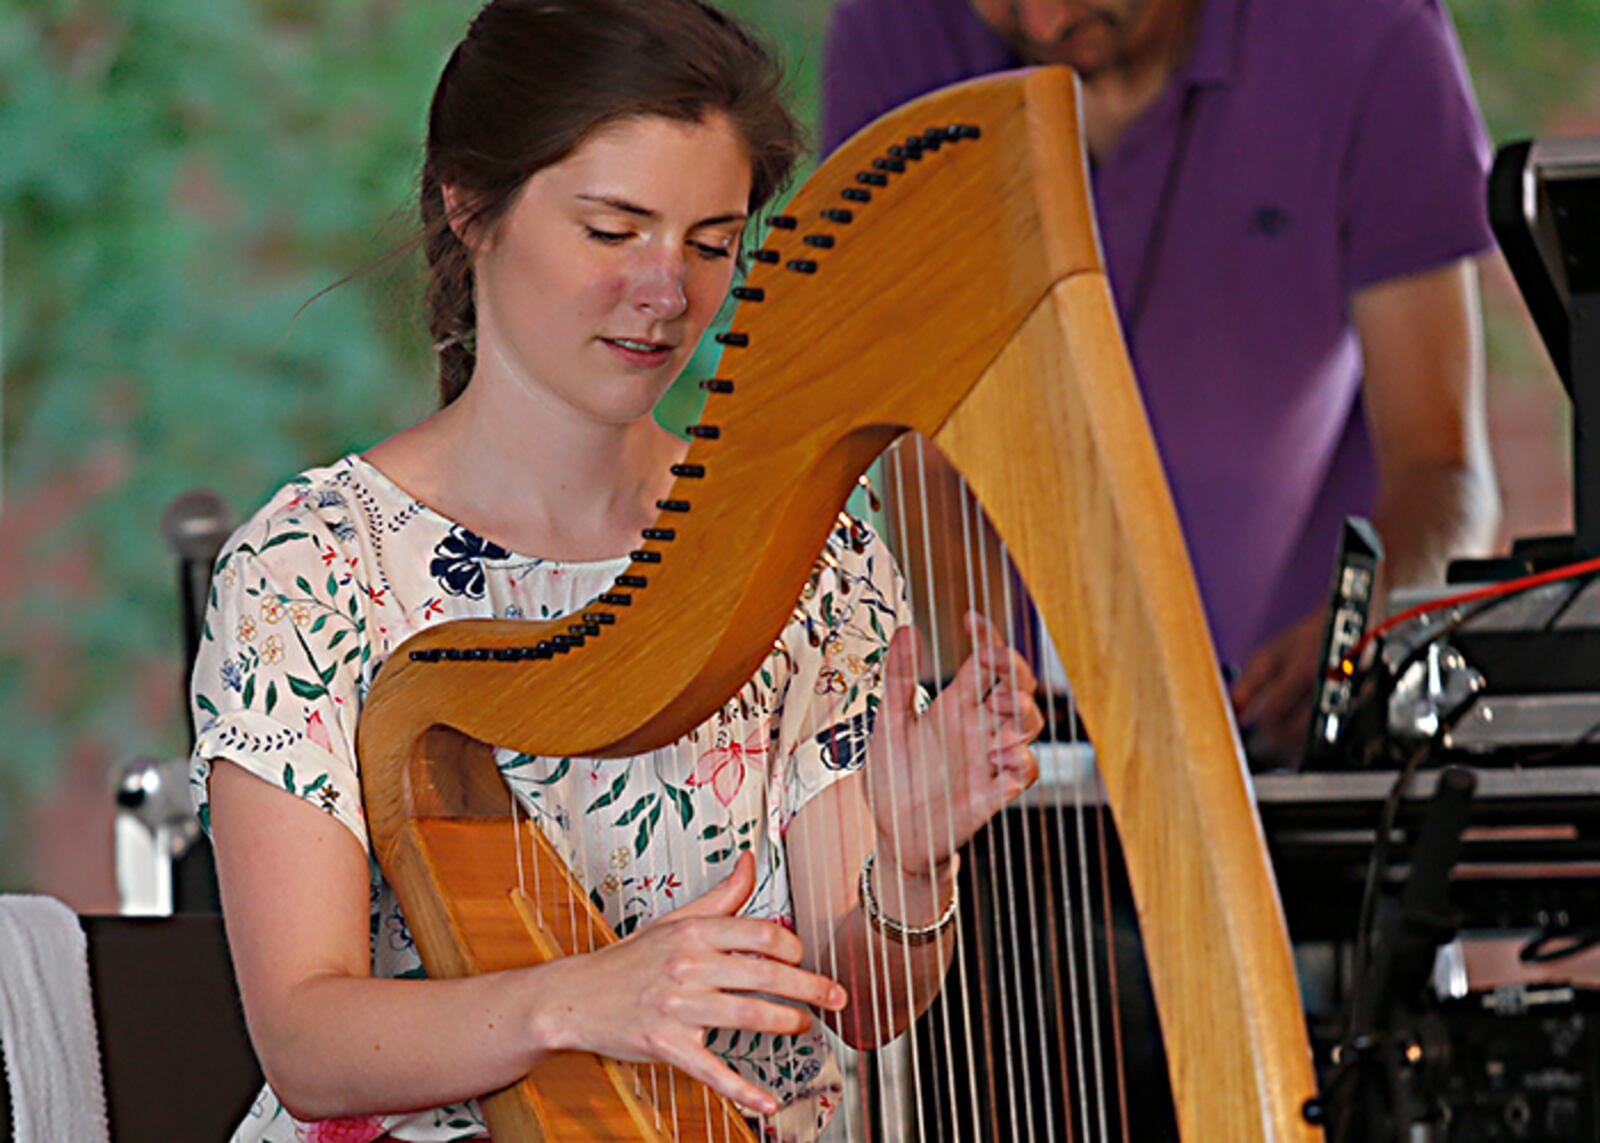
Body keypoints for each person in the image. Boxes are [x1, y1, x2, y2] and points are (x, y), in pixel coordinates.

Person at [188, 3, 1044, 1141]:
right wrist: (581, 1002)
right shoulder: (313, 569)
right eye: (611, 229)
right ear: (468, 201)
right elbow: (308, 1046)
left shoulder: (812, 543)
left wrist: (916, 860)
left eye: (710, 242)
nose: (666, 291)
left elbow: (866, 1003)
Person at [822, 0, 1501, 763]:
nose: (1042, 25)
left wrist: (1360, 635)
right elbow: (924, 451)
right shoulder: (890, 29)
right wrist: (1002, 733)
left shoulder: (1368, 33)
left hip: (1293, 744)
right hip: (1034, 757)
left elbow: (1440, 467)